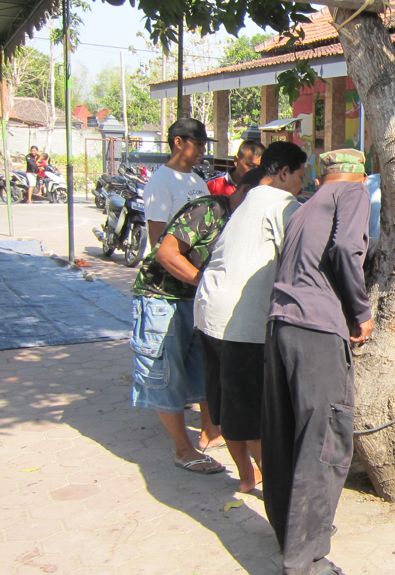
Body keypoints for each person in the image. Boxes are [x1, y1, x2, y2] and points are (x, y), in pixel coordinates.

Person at [262, 149, 374, 575]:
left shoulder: (305, 207)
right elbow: (348, 248)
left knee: (284, 434)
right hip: (316, 330)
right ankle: (305, 561)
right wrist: (362, 313)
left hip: (279, 326)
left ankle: (290, 538)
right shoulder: (353, 194)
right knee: (325, 442)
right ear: (358, 176)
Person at [127, 170, 259, 476]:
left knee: (203, 370)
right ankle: (183, 450)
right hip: (162, 297)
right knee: (165, 374)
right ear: (246, 192)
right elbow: (166, 253)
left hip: (197, 302)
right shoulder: (210, 209)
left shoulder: (243, 221)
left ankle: (210, 433)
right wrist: (203, 282)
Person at [193, 142, 306, 493]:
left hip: (208, 311)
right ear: (284, 172)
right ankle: (279, 490)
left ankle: (246, 477)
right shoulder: (285, 205)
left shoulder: (249, 199)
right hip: (240, 322)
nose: (304, 183)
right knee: (251, 414)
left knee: (227, 407)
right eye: (302, 175)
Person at [141, 117, 223, 452]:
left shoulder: (196, 181)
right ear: (178, 142)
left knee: (202, 362)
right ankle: (181, 447)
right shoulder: (162, 182)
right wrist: (194, 275)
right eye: (199, 144)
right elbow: (160, 243)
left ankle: (211, 431)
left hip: (195, 290)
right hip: (168, 290)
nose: (203, 151)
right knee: (168, 368)